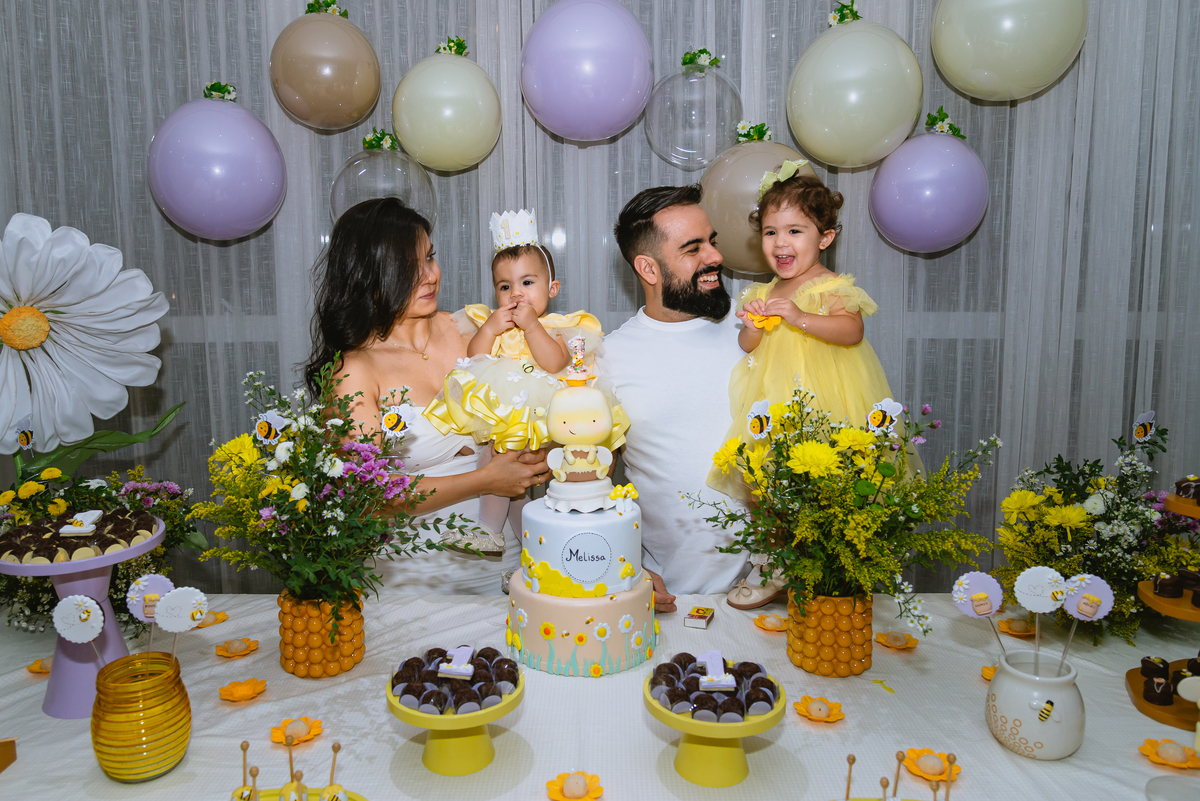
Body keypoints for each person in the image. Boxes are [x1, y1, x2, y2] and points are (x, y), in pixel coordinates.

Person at [304, 198, 551, 594]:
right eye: (409, 267)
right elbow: (370, 496)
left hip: (509, 567)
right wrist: (484, 480)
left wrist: (541, 455)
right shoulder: (355, 370)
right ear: (369, 276)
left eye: (430, 257)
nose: (430, 275)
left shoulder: (473, 329)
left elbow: (540, 401)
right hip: (417, 576)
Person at [707, 165, 915, 607]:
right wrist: (754, 324)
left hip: (827, 397)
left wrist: (799, 316)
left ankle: (823, 568)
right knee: (764, 482)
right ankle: (772, 560)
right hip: (774, 404)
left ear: (824, 238)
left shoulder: (831, 286)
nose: (780, 243)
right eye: (769, 232)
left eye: (795, 231)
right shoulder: (762, 291)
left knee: (828, 483)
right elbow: (748, 346)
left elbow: (851, 331)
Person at [421, 209, 613, 554]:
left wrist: (532, 327)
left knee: (498, 468)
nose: (516, 295)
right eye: (505, 286)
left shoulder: (558, 327)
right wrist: (491, 327)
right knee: (511, 486)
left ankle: (488, 532)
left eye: (527, 283)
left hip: (538, 413)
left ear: (551, 288)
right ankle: (532, 555)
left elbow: (554, 363)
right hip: (505, 414)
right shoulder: (497, 324)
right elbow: (472, 359)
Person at [598, 185, 750, 612]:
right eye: (693, 248)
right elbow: (593, 483)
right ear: (648, 268)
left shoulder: (756, 328)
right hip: (670, 599)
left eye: (713, 241)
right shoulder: (610, 357)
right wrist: (625, 568)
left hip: (776, 592)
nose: (716, 257)